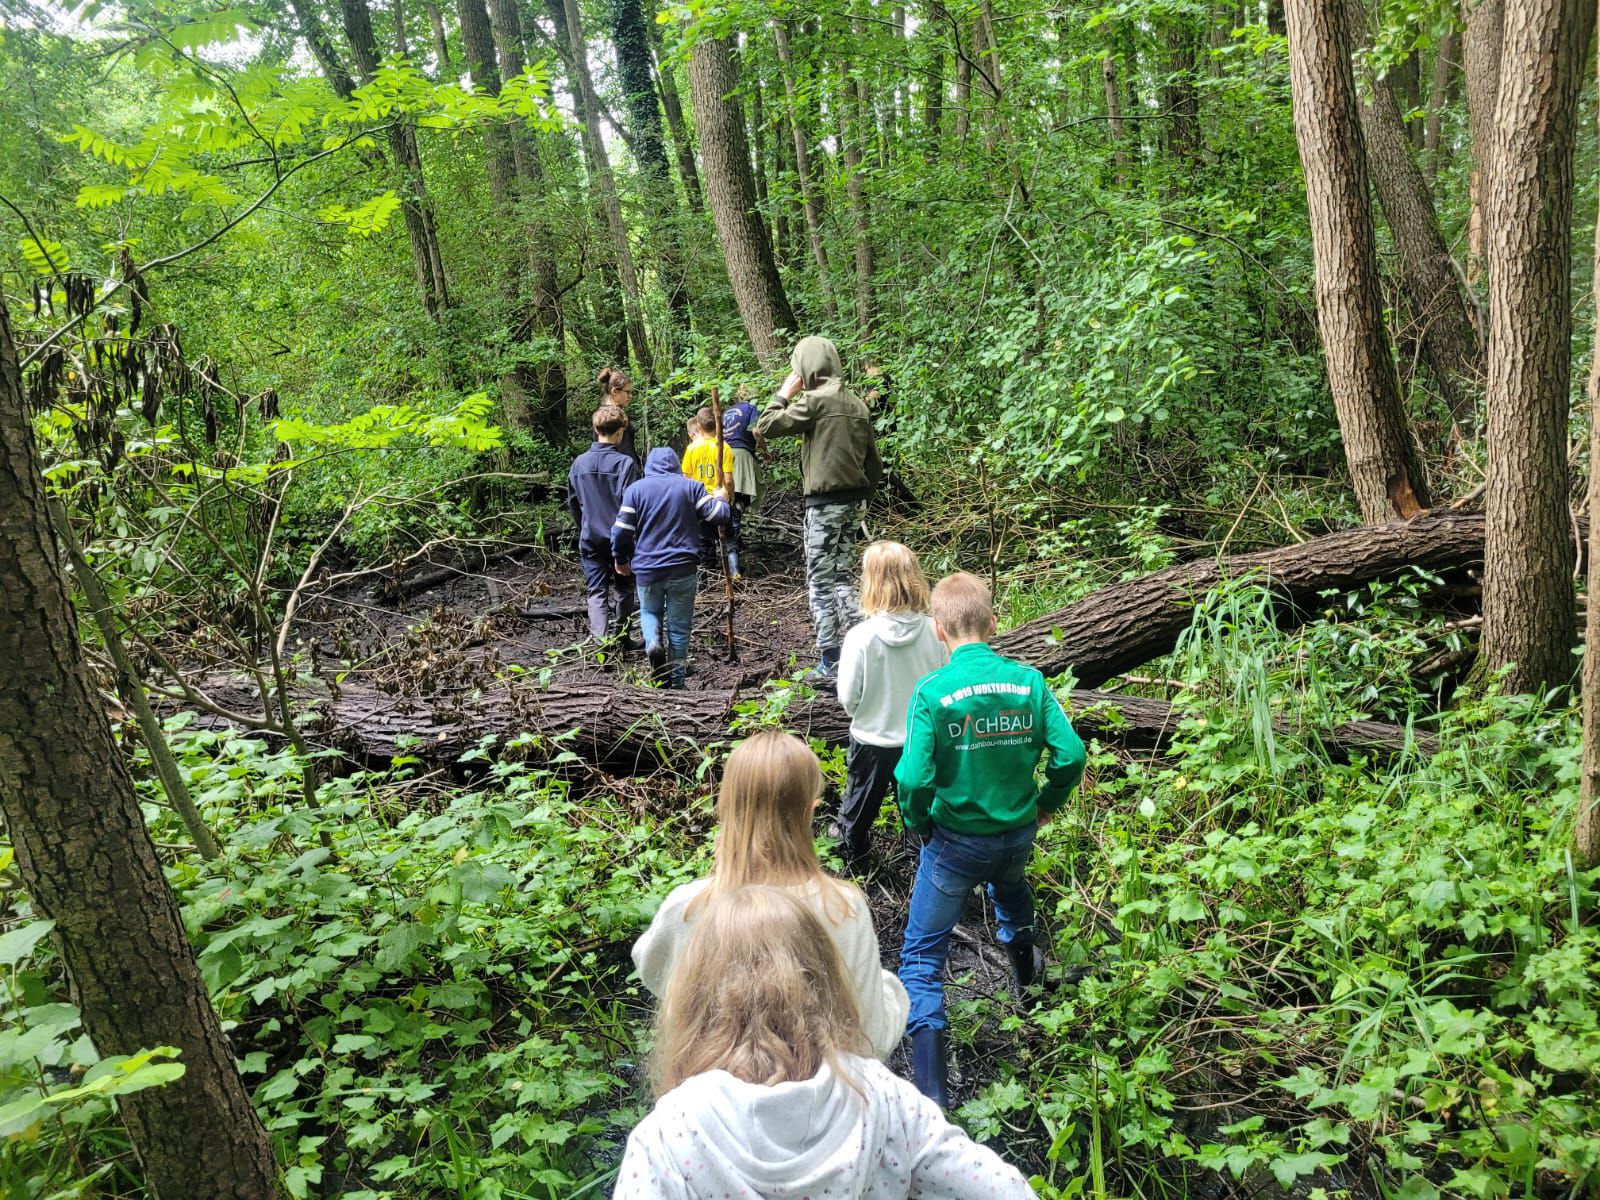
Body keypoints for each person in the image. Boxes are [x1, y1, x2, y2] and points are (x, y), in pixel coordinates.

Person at [615, 885, 1035, 1200]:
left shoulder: (669, 1138)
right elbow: (1004, 1190)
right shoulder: (881, 1098)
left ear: (697, 997)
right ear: (821, 983)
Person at [895, 572, 1087, 1109]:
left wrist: (918, 821)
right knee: (1010, 889)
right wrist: (1046, 803)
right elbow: (1070, 754)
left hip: (954, 842)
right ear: (993, 623)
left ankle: (931, 1097)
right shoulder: (1029, 681)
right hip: (1017, 834)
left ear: (938, 629)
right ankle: (1028, 988)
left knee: (921, 958)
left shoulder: (933, 692)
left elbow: (911, 778)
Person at [632, 731, 907, 1058]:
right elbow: (869, 1039)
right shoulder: (844, 908)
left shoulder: (688, 907)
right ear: (810, 810)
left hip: (716, 1092)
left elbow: (652, 968)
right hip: (821, 1099)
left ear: (725, 805)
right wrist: (890, 992)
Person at [756, 336, 882, 680]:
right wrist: (862, 501)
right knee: (842, 577)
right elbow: (874, 465)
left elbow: (764, 426)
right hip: (854, 502)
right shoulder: (857, 404)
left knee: (820, 583)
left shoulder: (814, 402)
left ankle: (831, 661)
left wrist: (785, 391)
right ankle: (868, 649)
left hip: (825, 504)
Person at [834, 542, 948, 874]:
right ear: (914, 578)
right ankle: (920, 865)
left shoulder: (861, 637)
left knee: (858, 806)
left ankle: (854, 861)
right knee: (918, 806)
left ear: (870, 582)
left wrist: (863, 713)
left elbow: (847, 696)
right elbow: (943, 684)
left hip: (871, 739)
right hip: (921, 741)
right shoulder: (935, 630)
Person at [611, 447, 729, 687]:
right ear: (676, 465)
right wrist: (721, 497)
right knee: (679, 626)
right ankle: (677, 682)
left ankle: (653, 642)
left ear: (649, 466)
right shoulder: (692, 487)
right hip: (683, 568)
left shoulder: (636, 490)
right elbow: (719, 516)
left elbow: (622, 531)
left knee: (648, 612)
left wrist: (620, 558)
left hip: (647, 568)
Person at [566, 404, 642, 649]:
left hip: (590, 537)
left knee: (596, 591)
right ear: (620, 432)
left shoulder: (579, 463)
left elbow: (574, 503)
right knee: (625, 588)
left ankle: (601, 644)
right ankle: (622, 638)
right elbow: (632, 506)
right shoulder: (625, 464)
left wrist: (583, 528)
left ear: (595, 429)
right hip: (620, 537)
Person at [679, 407, 739, 578]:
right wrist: (730, 496)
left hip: (700, 501)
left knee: (705, 542)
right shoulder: (723, 447)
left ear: (698, 425)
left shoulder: (692, 449)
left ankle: (706, 578)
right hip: (719, 498)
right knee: (728, 539)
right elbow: (728, 479)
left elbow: (687, 478)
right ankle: (734, 573)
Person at [722, 385, 766, 565]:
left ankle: (733, 540)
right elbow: (756, 431)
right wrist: (765, 449)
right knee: (742, 498)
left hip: (722, 455)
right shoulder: (752, 408)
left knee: (730, 500)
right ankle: (734, 546)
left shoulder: (725, 412)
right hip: (741, 455)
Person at [597, 366, 640, 464]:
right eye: (627, 392)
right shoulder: (613, 417)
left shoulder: (601, 415)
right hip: (622, 471)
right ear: (614, 391)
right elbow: (624, 449)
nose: (630, 396)